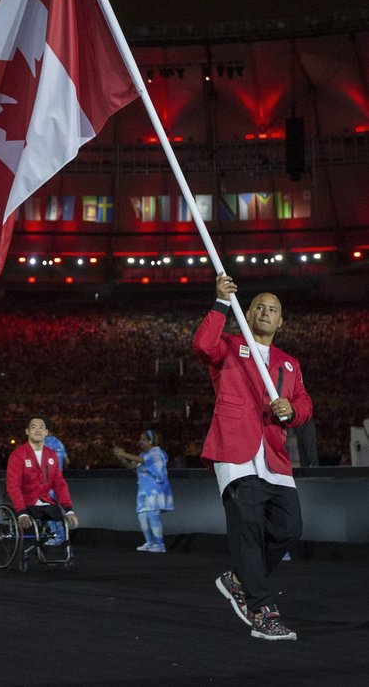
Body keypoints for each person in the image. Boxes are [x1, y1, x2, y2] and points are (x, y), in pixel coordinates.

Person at [194, 274, 312, 642]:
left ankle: (239, 580)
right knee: (247, 531)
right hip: (234, 451)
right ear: (248, 312)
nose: (265, 311)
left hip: (274, 457)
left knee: (290, 528)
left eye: (272, 309)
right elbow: (201, 345)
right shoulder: (229, 345)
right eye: (259, 306)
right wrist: (220, 303)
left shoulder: (289, 364)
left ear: (281, 322)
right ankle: (263, 610)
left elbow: (305, 405)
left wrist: (290, 409)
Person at [5, 417, 79, 538]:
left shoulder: (51, 454)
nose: (38, 431)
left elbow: (59, 484)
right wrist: (21, 512)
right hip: (27, 502)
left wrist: (69, 510)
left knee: (60, 524)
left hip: (47, 498)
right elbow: (13, 485)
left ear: (46, 432)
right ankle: (51, 540)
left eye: (41, 428)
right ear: (27, 431)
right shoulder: (18, 455)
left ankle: (56, 542)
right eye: (34, 427)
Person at [113, 429, 174, 553]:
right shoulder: (143, 455)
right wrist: (121, 458)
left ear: (150, 441)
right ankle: (150, 542)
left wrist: (124, 453)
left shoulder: (157, 453)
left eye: (143, 440)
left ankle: (160, 545)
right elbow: (132, 466)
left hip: (155, 491)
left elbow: (143, 462)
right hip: (143, 492)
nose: (140, 442)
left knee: (153, 516)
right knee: (141, 516)